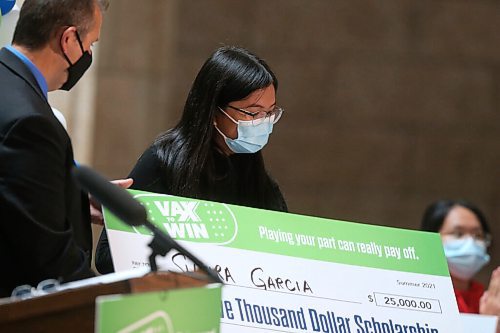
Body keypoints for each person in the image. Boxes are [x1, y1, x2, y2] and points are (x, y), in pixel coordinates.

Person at [96, 46, 287, 273]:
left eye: (270, 113)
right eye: (253, 113)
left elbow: (283, 258)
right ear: (214, 112)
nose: (262, 123)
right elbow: (107, 256)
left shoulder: (258, 180)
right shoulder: (162, 162)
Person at [0, 0, 129, 297]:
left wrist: (70, 201)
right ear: (69, 39)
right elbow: (49, 258)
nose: (89, 54)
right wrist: (116, 299)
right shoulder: (31, 123)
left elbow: (13, 196)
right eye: (91, 43)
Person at [421, 200, 500, 318]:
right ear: (431, 238)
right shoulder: (421, 298)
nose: (470, 243)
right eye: (458, 234)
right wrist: (489, 322)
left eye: (478, 235)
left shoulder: (485, 298)